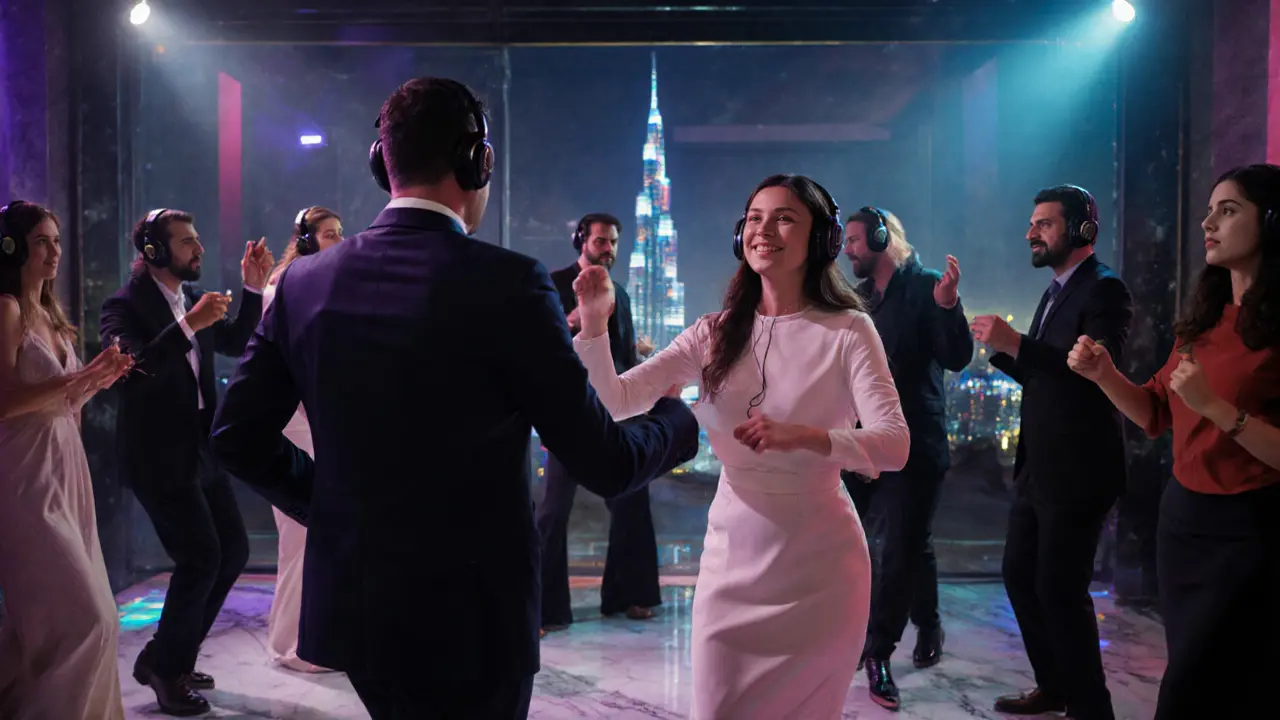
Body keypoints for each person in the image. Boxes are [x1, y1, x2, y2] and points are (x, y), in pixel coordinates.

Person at [208, 77, 699, 720]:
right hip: (475, 616)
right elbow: (602, 461)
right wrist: (675, 419)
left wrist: (329, 504)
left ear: (383, 164)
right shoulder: (510, 283)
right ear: (478, 162)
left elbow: (236, 436)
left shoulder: (303, 283)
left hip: (359, 608)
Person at [571, 173, 909, 718]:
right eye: (754, 217)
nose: (764, 229)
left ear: (820, 240)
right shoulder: (711, 333)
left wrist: (805, 436)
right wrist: (592, 324)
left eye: (783, 218)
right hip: (733, 562)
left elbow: (894, 446)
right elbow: (615, 402)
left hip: (822, 570)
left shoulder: (850, 330)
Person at [1067, 164, 1280, 720]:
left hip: (1252, 531)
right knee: (1195, 669)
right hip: (1183, 522)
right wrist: (1104, 375)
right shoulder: (1204, 321)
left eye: (1228, 210)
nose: (1208, 221)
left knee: (1205, 687)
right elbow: (1154, 413)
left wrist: (1217, 408)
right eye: (1209, 209)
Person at [100, 209, 273, 716]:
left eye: (197, 240)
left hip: (199, 448)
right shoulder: (123, 306)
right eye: (187, 242)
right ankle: (168, 671)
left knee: (233, 551)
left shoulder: (192, 300)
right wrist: (188, 325)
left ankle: (166, 655)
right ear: (154, 251)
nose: (198, 249)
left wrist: (253, 290)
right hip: (157, 456)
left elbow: (239, 342)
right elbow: (132, 371)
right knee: (200, 557)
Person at [970, 185, 1132, 720]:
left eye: (1043, 223)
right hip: (1040, 469)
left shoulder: (1105, 291)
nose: (1030, 233)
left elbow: (1091, 375)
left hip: (1080, 470)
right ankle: (1055, 686)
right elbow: (1047, 376)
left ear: (1082, 228)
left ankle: (1091, 708)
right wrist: (1004, 351)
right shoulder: (1057, 289)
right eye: (1031, 223)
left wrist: (1016, 343)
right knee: (1021, 576)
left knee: (1061, 592)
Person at [0, 200, 133, 720]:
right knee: (87, 620)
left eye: (57, 240)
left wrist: (96, 379)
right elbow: (6, 402)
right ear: (11, 247)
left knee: (62, 622)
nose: (55, 251)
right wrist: (77, 379)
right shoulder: (7, 307)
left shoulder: (53, 316)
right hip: (23, 474)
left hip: (65, 469)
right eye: (41, 241)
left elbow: (62, 404)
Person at [841, 206, 972, 709]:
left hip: (915, 444)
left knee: (901, 546)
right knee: (888, 541)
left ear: (881, 237)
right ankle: (929, 622)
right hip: (862, 441)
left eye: (855, 240)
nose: (847, 249)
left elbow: (956, 357)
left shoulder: (928, 285)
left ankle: (878, 653)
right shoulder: (859, 300)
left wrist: (948, 305)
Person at [538, 212, 661, 634]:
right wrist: (576, 320)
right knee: (553, 512)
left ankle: (629, 596)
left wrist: (651, 367)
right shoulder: (552, 284)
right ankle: (543, 610)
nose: (608, 250)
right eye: (601, 242)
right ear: (581, 241)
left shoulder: (621, 295)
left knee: (633, 499)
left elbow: (624, 360)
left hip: (615, 418)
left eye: (612, 243)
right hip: (568, 414)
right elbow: (542, 348)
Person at [263, 206, 344, 673]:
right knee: (300, 533)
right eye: (329, 234)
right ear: (307, 240)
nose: (338, 240)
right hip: (295, 420)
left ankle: (309, 636)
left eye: (339, 232)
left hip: (320, 418)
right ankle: (290, 645)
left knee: (318, 534)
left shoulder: (325, 283)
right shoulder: (285, 286)